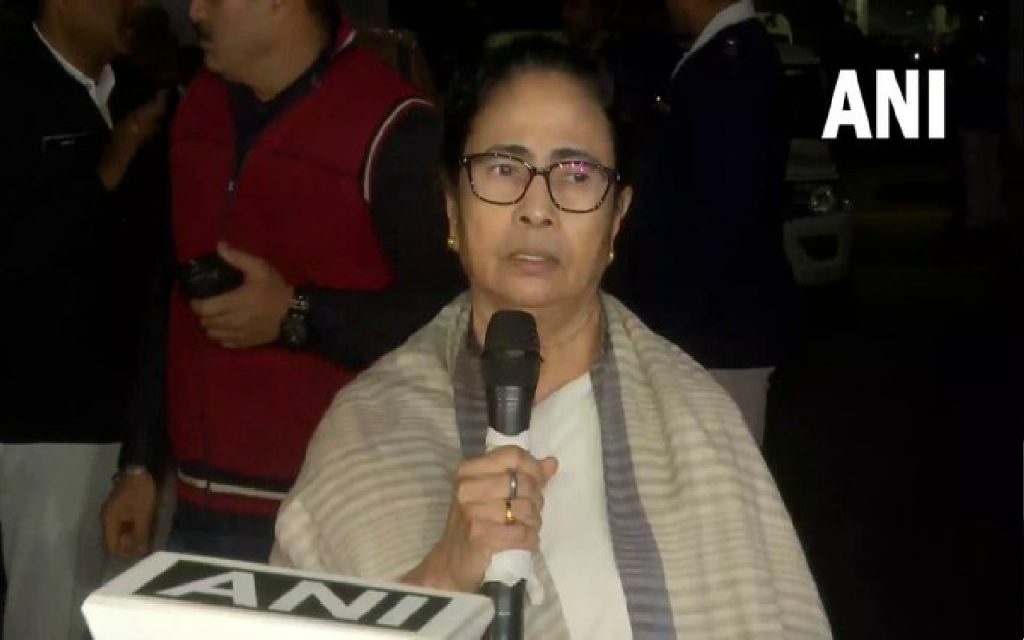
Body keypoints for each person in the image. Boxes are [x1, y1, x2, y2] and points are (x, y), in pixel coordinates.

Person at [273, 37, 830, 638]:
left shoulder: (698, 425)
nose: (537, 208)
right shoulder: (370, 430)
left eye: (577, 174)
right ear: (452, 209)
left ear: (617, 217)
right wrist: (442, 577)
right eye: (503, 168)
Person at [102, 0, 461, 563]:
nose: (194, 11)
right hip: (199, 504)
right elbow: (168, 291)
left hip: (336, 510)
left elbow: (449, 320)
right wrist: (140, 463)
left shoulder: (393, 124)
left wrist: (295, 313)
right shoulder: (198, 108)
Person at [0, 0, 167, 638]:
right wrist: (108, 166)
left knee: (127, 616)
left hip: (140, 427)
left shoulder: (142, 95)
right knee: (48, 611)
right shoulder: (12, 89)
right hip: (43, 423)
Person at [611, 0, 796, 445]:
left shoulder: (733, 63)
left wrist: (671, 326)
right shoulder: (717, 56)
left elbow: (723, 211)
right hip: (710, 327)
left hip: (714, 331)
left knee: (719, 471)